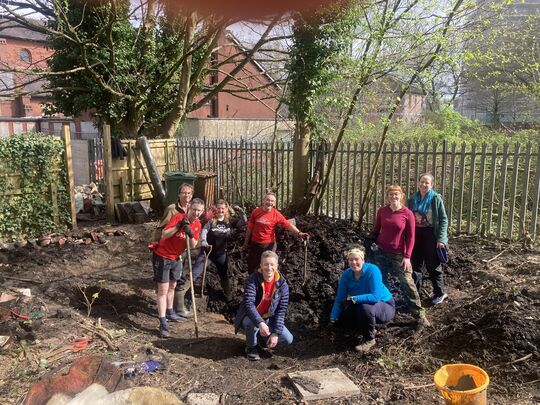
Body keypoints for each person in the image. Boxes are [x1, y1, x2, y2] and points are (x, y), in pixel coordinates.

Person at [372, 184, 430, 329]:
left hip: (399, 254)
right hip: (381, 253)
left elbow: (411, 237)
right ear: (388, 196)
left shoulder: (407, 213)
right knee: (379, 281)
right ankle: (381, 310)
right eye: (391, 194)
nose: (394, 197)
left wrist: (407, 256)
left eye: (396, 194)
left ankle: (419, 314)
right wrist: (370, 245)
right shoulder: (382, 211)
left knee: (407, 282)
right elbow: (376, 230)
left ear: (401, 196)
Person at [152, 198, 203, 338]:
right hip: (163, 256)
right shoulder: (178, 217)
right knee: (162, 290)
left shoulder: (197, 224)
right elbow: (164, 234)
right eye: (194, 209)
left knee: (173, 286)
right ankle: (162, 323)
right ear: (189, 209)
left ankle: (170, 312)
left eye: (199, 210)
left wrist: (191, 233)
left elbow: (193, 245)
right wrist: (179, 226)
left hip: (176, 258)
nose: (196, 213)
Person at [330, 248, 395, 352]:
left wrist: (354, 298)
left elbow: (375, 297)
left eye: (356, 259)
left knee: (364, 307)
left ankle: (369, 339)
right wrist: (333, 318)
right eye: (351, 260)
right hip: (361, 304)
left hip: (384, 306)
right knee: (342, 319)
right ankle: (365, 327)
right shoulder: (346, 274)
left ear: (363, 260)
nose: (354, 262)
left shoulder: (373, 270)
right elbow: (340, 298)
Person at [234, 251, 293, 361]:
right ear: (261, 265)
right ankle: (251, 347)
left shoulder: (282, 285)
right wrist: (260, 323)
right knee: (251, 323)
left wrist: (275, 333)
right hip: (251, 316)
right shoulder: (252, 280)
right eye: (266, 264)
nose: (269, 268)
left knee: (287, 339)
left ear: (277, 266)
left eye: (272, 264)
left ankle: (261, 341)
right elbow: (249, 304)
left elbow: (281, 310)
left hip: (268, 318)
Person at [191, 200, 247, 301]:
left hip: (221, 255)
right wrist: (203, 241)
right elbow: (204, 231)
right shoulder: (211, 221)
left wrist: (241, 212)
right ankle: (182, 293)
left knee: (224, 275)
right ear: (215, 209)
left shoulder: (229, 222)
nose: (220, 210)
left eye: (223, 208)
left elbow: (243, 222)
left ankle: (228, 296)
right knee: (195, 273)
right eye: (218, 208)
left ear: (226, 210)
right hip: (207, 252)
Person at [407, 173, 449, 305]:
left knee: (433, 265)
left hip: (430, 234)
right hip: (416, 234)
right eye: (422, 182)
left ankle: (439, 293)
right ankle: (416, 294)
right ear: (418, 183)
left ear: (431, 185)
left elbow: (443, 219)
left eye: (427, 183)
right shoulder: (412, 199)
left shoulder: (435, 199)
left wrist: (441, 239)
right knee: (415, 265)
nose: (424, 185)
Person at [243, 192, 308, 274]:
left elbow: (288, 225)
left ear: (274, 203)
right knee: (253, 267)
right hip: (255, 244)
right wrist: (246, 243)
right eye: (268, 200)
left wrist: (299, 233)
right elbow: (249, 228)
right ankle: (254, 285)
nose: (269, 202)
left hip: (269, 245)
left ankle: (270, 285)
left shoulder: (276, 214)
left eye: (272, 201)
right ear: (263, 200)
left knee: (268, 267)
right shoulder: (256, 212)